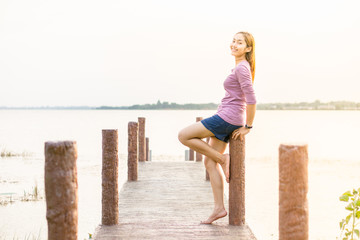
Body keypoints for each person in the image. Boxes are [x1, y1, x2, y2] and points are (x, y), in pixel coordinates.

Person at [177, 31, 257, 224]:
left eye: (239, 43)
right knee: (208, 162)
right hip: (230, 117)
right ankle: (219, 208)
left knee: (184, 135)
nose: (234, 45)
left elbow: (252, 99)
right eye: (233, 41)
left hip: (227, 118)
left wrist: (248, 126)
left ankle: (223, 159)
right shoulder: (239, 67)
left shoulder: (242, 68)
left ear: (248, 48)